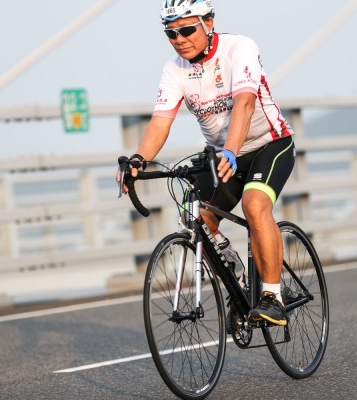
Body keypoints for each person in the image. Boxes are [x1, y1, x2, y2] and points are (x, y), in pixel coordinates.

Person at [117, 0, 295, 326]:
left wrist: (231, 150)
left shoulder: (239, 48)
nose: (179, 39)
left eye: (187, 29)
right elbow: (161, 122)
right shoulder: (174, 70)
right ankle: (240, 282)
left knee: (255, 205)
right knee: (195, 219)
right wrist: (139, 159)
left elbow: (244, 104)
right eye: (171, 33)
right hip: (222, 154)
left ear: (208, 22)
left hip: (268, 144)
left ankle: (273, 297)